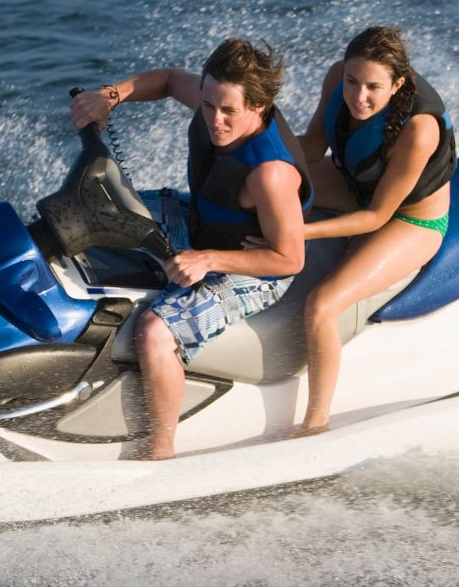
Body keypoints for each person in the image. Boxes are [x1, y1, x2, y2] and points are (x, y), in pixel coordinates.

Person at [70, 38, 311, 459]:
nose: (215, 121)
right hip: (204, 222)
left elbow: (290, 259)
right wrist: (109, 96)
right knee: (95, 206)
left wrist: (209, 259)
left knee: (154, 333)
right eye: (208, 105)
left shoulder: (271, 175)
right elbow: (164, 79)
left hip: (253, 266)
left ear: (258, 106)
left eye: (228, 111)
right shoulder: (211, 97)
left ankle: (159, 449)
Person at [293, 25, 456, 437]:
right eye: (351, 81)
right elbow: (311, 149)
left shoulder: (419, 129)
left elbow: (378, 216)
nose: (357, 96)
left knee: (322, 304)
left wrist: (299, 233)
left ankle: (315, 424)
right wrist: (249, 149)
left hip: (409, 219)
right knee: (268, 187)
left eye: (372, 87)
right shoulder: (336, 78)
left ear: (397, 84)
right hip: (356, 185)